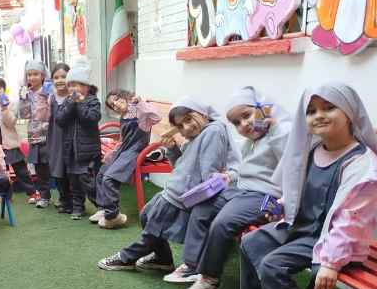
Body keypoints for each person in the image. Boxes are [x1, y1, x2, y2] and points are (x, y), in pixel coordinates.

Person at [236, 82, 377, 289]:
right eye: (311, 111)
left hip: (335, 240)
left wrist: (330, 263)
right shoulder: (313, 151)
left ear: (350, 113)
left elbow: (351, 222)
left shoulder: (364, 167)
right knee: (251, 241)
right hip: (303, 227)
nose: (319, 115)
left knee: (273, 265)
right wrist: (281, 208)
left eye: (329, 107)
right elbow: (297, 188)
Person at [97, 97, 239, 272]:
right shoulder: (197, 135)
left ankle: (127, 257)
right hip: (177, 188)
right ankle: (162, 258)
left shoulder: (213, 132)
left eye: (189, 119)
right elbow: (182, 164)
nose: (186, 128)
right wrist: (172, 149)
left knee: (154, 226)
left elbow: (208, 174)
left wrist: (190, 197)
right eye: (180, 126)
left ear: (202, 113)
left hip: (185, 193)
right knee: (146, 215)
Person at [180, 87, 289, 289]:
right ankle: (192, 264)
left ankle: (209, 277)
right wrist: (229, 176)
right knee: (202, 207)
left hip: (265, 196)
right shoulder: (250, 143)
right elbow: (244, 170)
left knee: (223, 222)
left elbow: (291, 163)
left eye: (247, 115)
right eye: (237, 123)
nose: (244, 124)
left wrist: (274, 127)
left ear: (264, 109)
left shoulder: (281, 133)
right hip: (242, 191)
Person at [90, 90, 162, 229]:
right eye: (112, 105)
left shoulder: (139, 112)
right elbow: (124, 140)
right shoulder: (124, 116)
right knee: (101, 174)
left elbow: (157, 117)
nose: (116, 104)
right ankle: (103, 209)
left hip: (135, 152)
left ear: (126, 97)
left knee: (109, 179)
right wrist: (113, 152)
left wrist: (140, 103)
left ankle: (113, 216)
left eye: (117, 99)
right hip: (123, 151)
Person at [53, 59, 102, 220]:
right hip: (71, 150)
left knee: (87, 180)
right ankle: (78, 207)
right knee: (74, 181)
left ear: (86, 86)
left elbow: (91, 119)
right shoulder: (68, 101)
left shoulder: (92, 101)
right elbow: (60, 120)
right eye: (71, 85)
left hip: (88, 151)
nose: (73, 88)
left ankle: (101, 206)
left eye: (77, 85)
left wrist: (79, 104)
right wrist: (71, 105)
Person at [0, 76, 37, 200]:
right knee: (1, 170)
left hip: (10, 142)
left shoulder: (11, 104)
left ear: (4, 89)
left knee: (20, 169)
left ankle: (32, 192)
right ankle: (6, 194)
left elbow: (11, 123)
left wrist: (4, 109)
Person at [18, 60, 52, 207]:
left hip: (50, 134)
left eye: (36, 74)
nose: (32, 77)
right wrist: (23, 98)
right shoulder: (26, 93)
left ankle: (65, 198)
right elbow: (24, 115)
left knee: (54, 165)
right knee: (39, 168)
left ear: (43, 75)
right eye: (29, 74)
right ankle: (44, 196)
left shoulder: (48, 90)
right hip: (34, 135)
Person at [47, 63, 73, 213]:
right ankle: (64, 198)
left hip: (70, 136)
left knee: (70, 170)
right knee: (57, 168)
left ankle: (72, 201)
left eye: (63, 76)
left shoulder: (73, 96)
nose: (60, 80)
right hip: (55, 137)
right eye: (56, 77)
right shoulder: (51, 98)